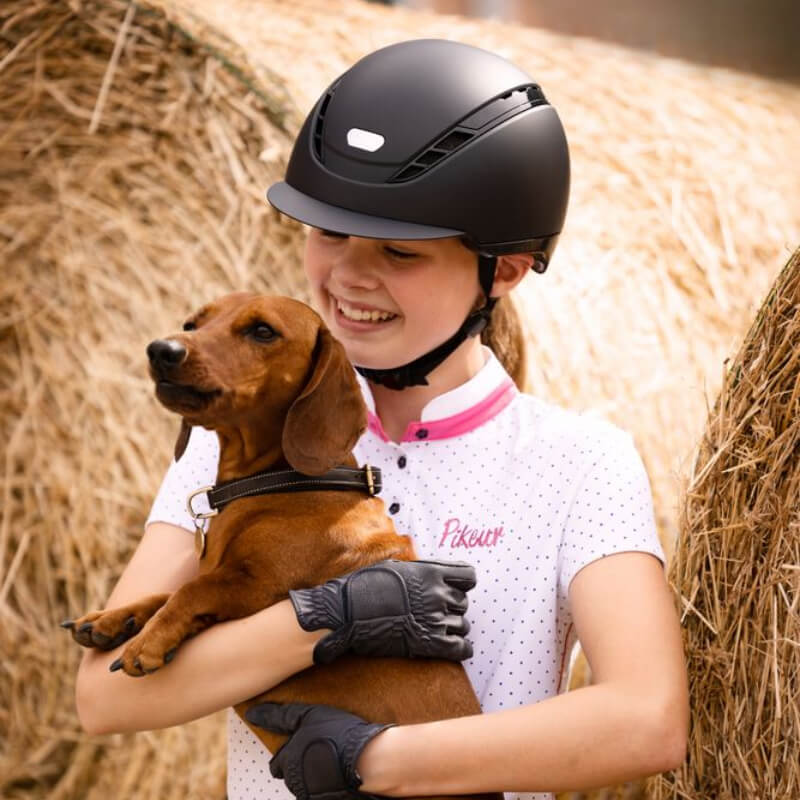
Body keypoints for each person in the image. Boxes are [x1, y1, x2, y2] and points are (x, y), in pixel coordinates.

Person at [74, 39, 688, 800]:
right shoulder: (235, 441)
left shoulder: (578, 460)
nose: (350, 276)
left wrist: (374, 760)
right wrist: (323, 618)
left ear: (503, 269)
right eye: (329, 233)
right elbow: (105, 696)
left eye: (399, 251)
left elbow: (647, 718)